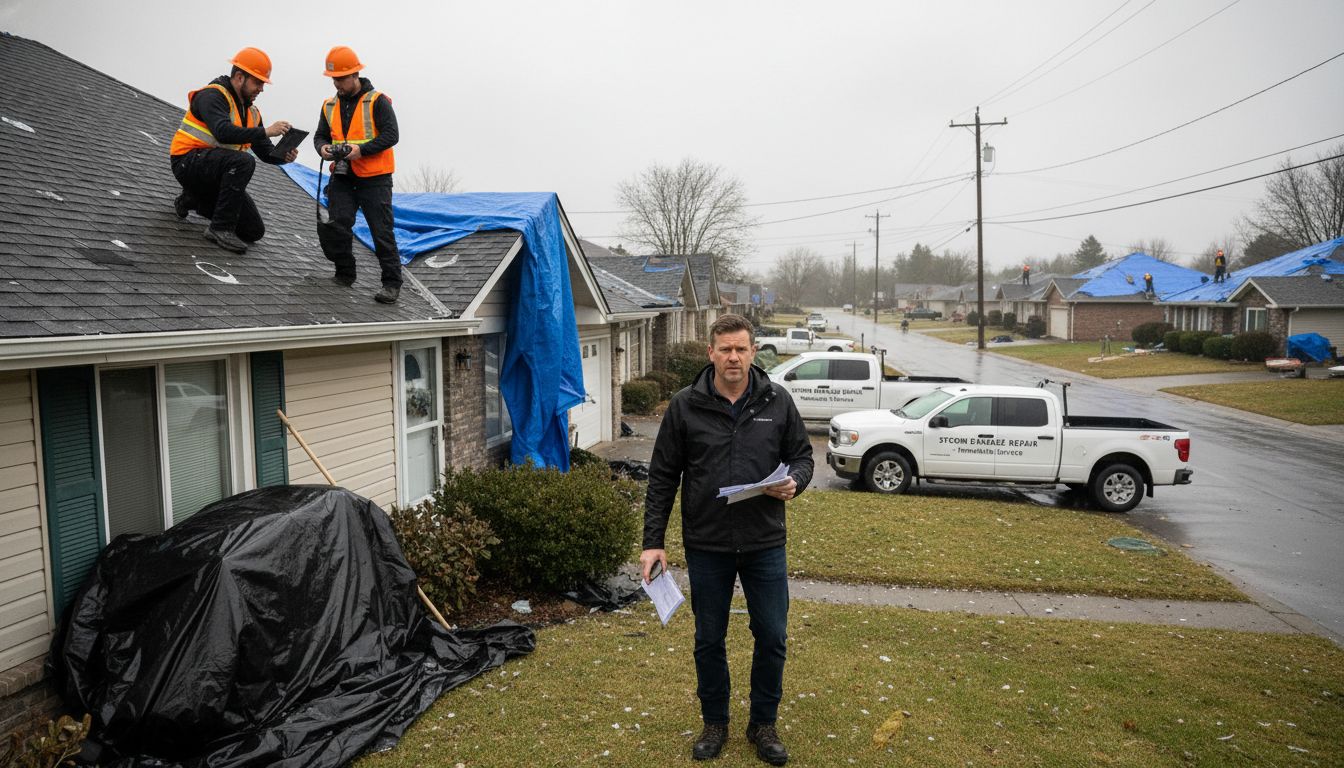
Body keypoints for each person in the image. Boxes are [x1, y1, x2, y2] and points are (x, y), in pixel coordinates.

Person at [641, 313, 814, 766]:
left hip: (764, 542)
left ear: (754, 351)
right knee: (708, 638)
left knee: (772, 635)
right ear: (711, 353)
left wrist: (795, 480)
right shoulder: (685, 405)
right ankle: (714, 722)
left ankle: (763, 723)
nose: (733, 357)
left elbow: (802, 456)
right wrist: (652, 542)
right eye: (725, 349)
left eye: (741, 348)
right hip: (708, 544)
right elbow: (662, 477)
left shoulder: (778, 400)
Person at [169, 47, 298, 254]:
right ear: (239, 77)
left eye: (263, 84)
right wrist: (266, 131)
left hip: (214, 175)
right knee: (244, 161)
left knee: (253, 231)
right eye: (258, 82)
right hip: (187, 164)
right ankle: (219, 229)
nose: (261, 89)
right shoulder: (212, 95)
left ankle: (192, 199)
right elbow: (222, 132)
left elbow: (265, 152)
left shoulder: (252, 112)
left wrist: (284, 156)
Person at [314, 46, 402, 304]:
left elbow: (391, 135)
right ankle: (344, 274)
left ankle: (391, 284)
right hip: (342, 175)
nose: (337, 84)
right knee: (338, 223)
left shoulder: (377, 101)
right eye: (334, 79)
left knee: (381, 232)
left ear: (355, 74)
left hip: (375, 178)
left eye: (341, 78)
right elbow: (320, 135)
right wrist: (323, 149)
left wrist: (360, 151)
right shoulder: (329, 105)